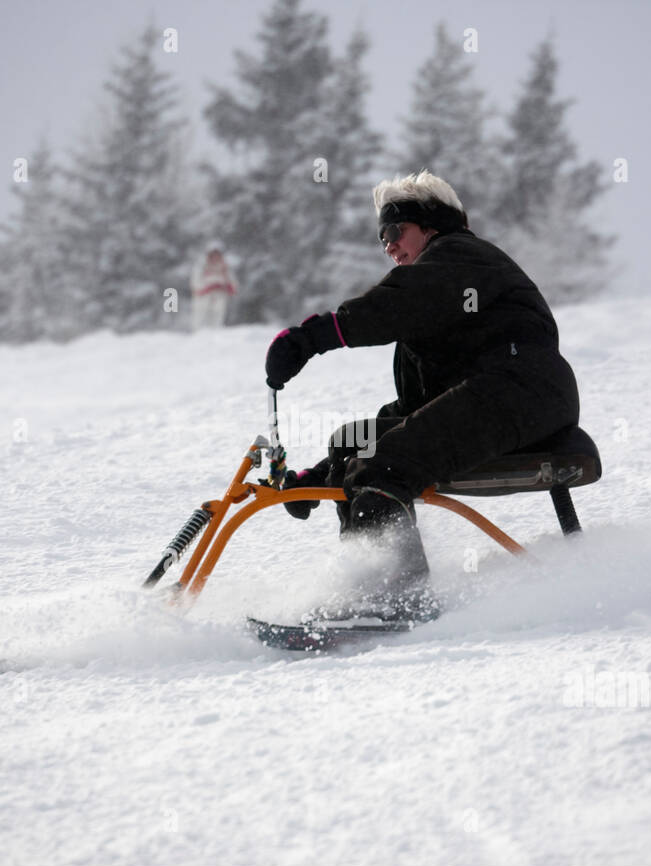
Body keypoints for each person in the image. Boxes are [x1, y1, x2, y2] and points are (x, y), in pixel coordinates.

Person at [264, 170, 582, 621]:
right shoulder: (437, 303)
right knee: (354, 443)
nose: (389, 246)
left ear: (431, 226)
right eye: (381, 239)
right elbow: (416, 413)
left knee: (383, 464)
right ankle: (368, 588)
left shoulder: (460, 256)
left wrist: (312, 337)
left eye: (395, 231)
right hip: (491, 398)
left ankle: (396, 602)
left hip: (523, 393)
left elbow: (396, 304)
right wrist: (317, 478)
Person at [190, 246, 237, 329]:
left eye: (217, 255)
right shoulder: (201, 267)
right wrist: (211, 286)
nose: (215, 257)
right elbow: (195, 286)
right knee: (201, 319)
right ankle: (198, 335)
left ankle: (215, 336)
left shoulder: (225, 268)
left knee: (217, 319)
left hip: (220, 296)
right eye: (213, 255)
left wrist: (223, 286)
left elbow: (233, 286)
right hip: (203, 298)